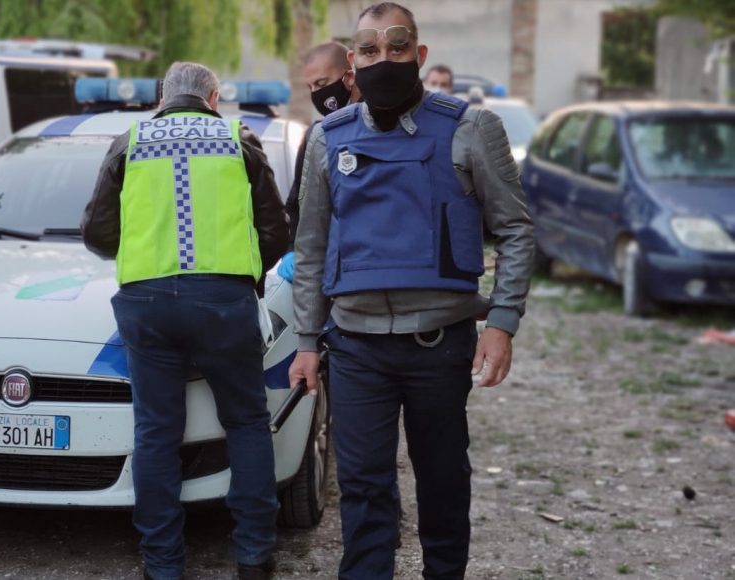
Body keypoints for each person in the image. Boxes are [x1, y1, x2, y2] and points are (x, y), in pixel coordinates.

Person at [287, 3, 534, 579]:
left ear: (419, 55)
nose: (384, 59)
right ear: (353, 64)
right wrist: (305, 340)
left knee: (443, 484)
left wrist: (502, 321)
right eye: (370, 50)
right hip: (356, 347)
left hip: (439, 344)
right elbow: (311, 246)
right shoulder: (327, 138)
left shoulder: (471, 128)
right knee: (363, 490)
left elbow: (516, 229)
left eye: (397, 47)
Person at [82, 62, 289, 580]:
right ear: (213, 98)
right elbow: (275, 231)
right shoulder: (238, 138)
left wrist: (145, 250)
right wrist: (243, 276)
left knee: (155, 432)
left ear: (162, 99)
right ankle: (253, 557)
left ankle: (162, 564)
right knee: (246, 421)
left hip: (147, 302)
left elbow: (97, 233)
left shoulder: (130, 141)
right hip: (223, 301)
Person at [279, 41, 362, 281]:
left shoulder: (375, 125)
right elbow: (297, 201)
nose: (317, 93)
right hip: (325, 268)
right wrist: (290, 249)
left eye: (322, 84)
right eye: (311, 87)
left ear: (349, 77)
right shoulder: (317, 135)